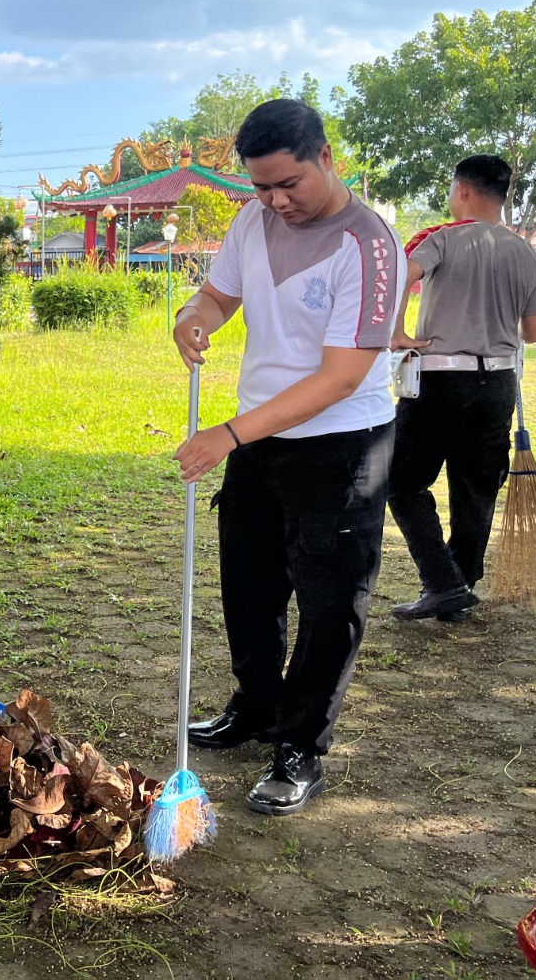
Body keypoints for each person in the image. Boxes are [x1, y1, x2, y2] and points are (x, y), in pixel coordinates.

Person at [172, 99, 402, 817]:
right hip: (261, 436)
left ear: (326, 158)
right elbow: (218, 295)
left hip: (343, 444)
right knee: (249, 580)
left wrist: (229, 435)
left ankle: (299, 746)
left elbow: (340, 376)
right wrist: (194, 319)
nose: (276, 202)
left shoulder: (368, 246)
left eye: (289, 185)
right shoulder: (253, 221)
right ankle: (255, 705)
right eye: (261, 187)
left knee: (331, 601)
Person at [386, 154, 536, 622]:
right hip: (498, 381)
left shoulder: (442, 240)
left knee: (401, 480)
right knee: (476, 487)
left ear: (462, 190)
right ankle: (458, 585)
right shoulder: (532, 257)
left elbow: (403, 276)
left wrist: (397, 331)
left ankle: (443, 582)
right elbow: (535, 331)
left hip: (440, 380)